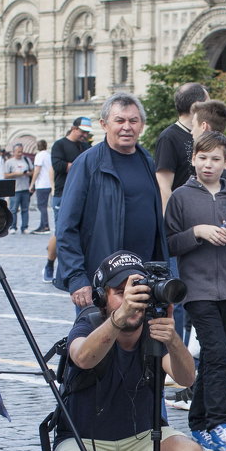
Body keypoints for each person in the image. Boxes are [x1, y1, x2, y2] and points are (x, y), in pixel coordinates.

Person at [50, 251, 205, 451]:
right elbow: (82, 357)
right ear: (102, 298)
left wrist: (173, 340)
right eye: (119, 293)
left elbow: (187, 378)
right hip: (86, 443)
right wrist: (118, 320)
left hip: (142, 439)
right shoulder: (90, 322)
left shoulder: (152, 327)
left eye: (136, 293)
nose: (130, 302)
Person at [165, 131, 226, 451]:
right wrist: (197, 233)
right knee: (217, 354)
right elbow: (169, 243)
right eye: (202, 158)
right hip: (197, 290)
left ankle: (198, 423)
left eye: (215, 159)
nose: (208, 164)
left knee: (214, 358)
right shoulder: (181, 197)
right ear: (193, 160)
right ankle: (220, 426)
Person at [55, 94, 169, 308]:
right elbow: (66, 226)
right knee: (99, 340)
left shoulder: (147, 162)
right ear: (104, 124)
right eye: (119, 120)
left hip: (143, 278)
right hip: (102, 280)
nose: (127, 127)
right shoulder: (87, 164)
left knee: (142, 340)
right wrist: (77, 277)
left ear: (142, 125)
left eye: (133, 121)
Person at [44, 118, 92, 283]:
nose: (84, 135)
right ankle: (50, 263)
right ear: (73, 128)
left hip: (84, 194)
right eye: (82, 131)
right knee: (61, 233)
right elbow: (57, 165)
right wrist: (81, 165)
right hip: (63, 193)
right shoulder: (60, 145)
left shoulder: (85, 146)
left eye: (87, 133)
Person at [154, 82, 209, 208]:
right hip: (182, 216)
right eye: (208, 103)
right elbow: (164, 187)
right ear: (196, 106)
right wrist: (170, 223)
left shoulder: (203, 135)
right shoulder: (168, 138)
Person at [4, 142, 33, 234]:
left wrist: (27, 173)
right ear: (14, 152)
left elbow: (33, 172)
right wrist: (16, 174)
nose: (20, 153)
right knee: (13, 209)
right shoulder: (9, 162)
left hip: (25, 188)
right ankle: (13, 226)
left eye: (21, 151)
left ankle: (24, 227)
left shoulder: (26, 160)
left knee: (25, 209)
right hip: (15, 189)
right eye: (18, 152)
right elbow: (6, 175)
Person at [31, 139, 52, 233]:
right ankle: (42, 225)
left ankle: (45, 226)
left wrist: (32, 184)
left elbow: (37, 170)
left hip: (42, 184)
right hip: (48, 183)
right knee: (43, 205)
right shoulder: (49, 155)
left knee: (41, 206)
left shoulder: (39, 156)